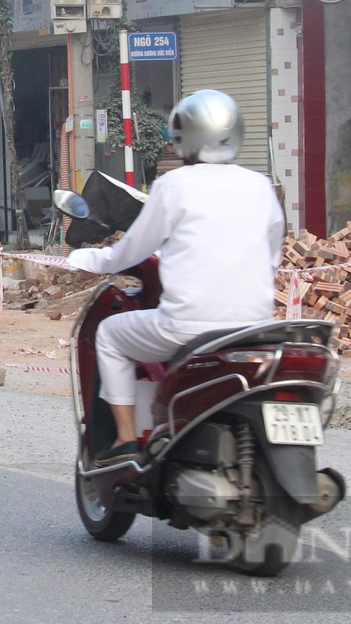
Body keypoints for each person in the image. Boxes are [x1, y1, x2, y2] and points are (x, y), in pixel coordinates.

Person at [65, 89, 284, 465]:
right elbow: (273, 255)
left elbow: (129, 252)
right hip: (256, 328)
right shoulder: (260, 186)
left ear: (184, 137)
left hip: (187, 327)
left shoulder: (173, 185)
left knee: (110, 336)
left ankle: (124, 439)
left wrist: (86, 258)